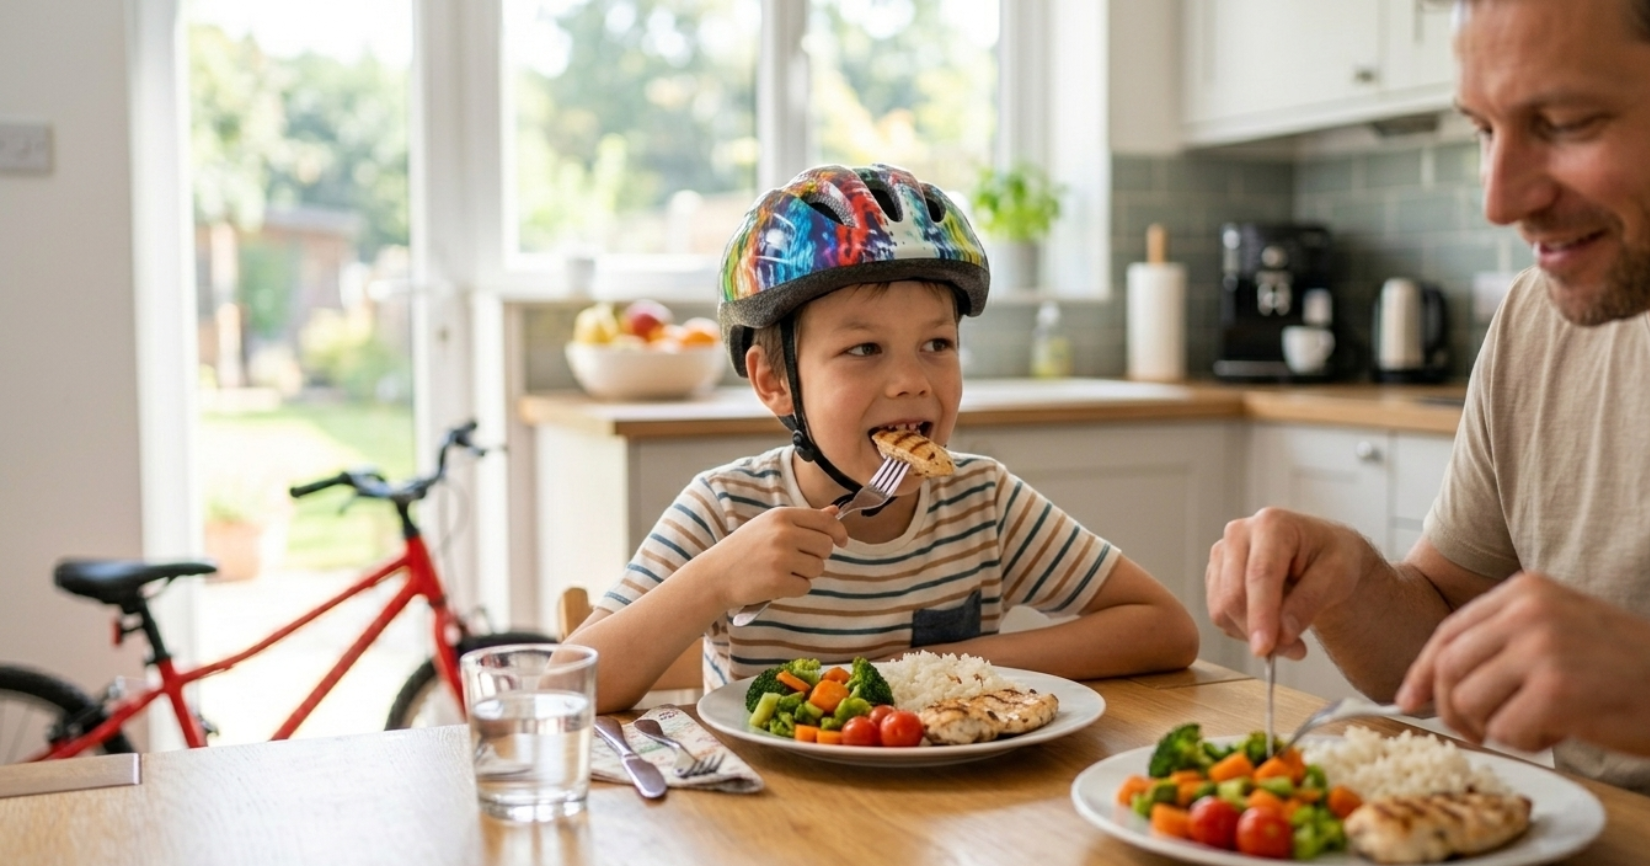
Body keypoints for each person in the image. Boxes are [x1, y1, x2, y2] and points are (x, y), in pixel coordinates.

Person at [1204, 0, 1650, 792]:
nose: (1499, 201)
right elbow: (1438, 632)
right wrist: (1351, 581)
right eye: (1483, 129)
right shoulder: (1536, 320)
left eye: (1568, 121)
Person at [570, 164, 1199, 712]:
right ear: (775, 382)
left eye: (937, 345)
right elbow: (567, 689)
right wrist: (713, 581)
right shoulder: (726, 510)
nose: (909, 381)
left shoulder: (985, 503)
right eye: (863, 349)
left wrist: (953, 663)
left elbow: (1166, 630)